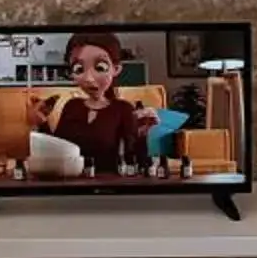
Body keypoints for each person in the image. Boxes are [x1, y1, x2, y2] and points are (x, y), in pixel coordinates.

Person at [27, 29, 159, 175]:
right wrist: (42, 122)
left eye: (100, 67)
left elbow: (135, 163)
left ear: (116, 69)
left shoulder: (123, 109)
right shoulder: (72, 106)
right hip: (71, 185)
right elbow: (59, 152)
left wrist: (142, 135)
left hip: (109, 185)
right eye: (79, 69)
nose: (89, 78)